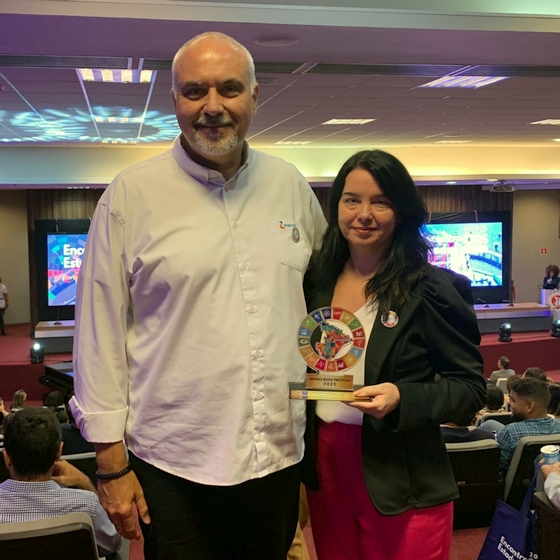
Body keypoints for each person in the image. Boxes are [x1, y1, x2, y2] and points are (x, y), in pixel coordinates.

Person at [69, 31, 327, 560]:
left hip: (278, 454)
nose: (213, 106)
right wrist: (111, 466)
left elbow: (322, 306)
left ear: (254, 96)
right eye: (195, 92)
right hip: (173, 463)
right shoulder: (130, 196)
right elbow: (98, 337)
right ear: (174, 101)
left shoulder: (291, 186)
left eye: (229, 89)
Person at [302, 150, 486, 560]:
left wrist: (403, 397)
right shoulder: (315, 281)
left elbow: (470, 388)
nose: (363, 214)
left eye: (380, 202)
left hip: (402, 472)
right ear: (336, 206)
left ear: (401, 211)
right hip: (326, 466)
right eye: (352, 200)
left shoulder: (432, 289)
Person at [0, 408, 121, 557]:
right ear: (59, 452)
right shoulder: (87, 506)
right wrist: (85, 482)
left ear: (6, 457)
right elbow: (112, 544)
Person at [496, 377, 560, 477]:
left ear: (529, 407)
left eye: (512, 400)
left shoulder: (510, 432)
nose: (509, 403)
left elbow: (498, 471)